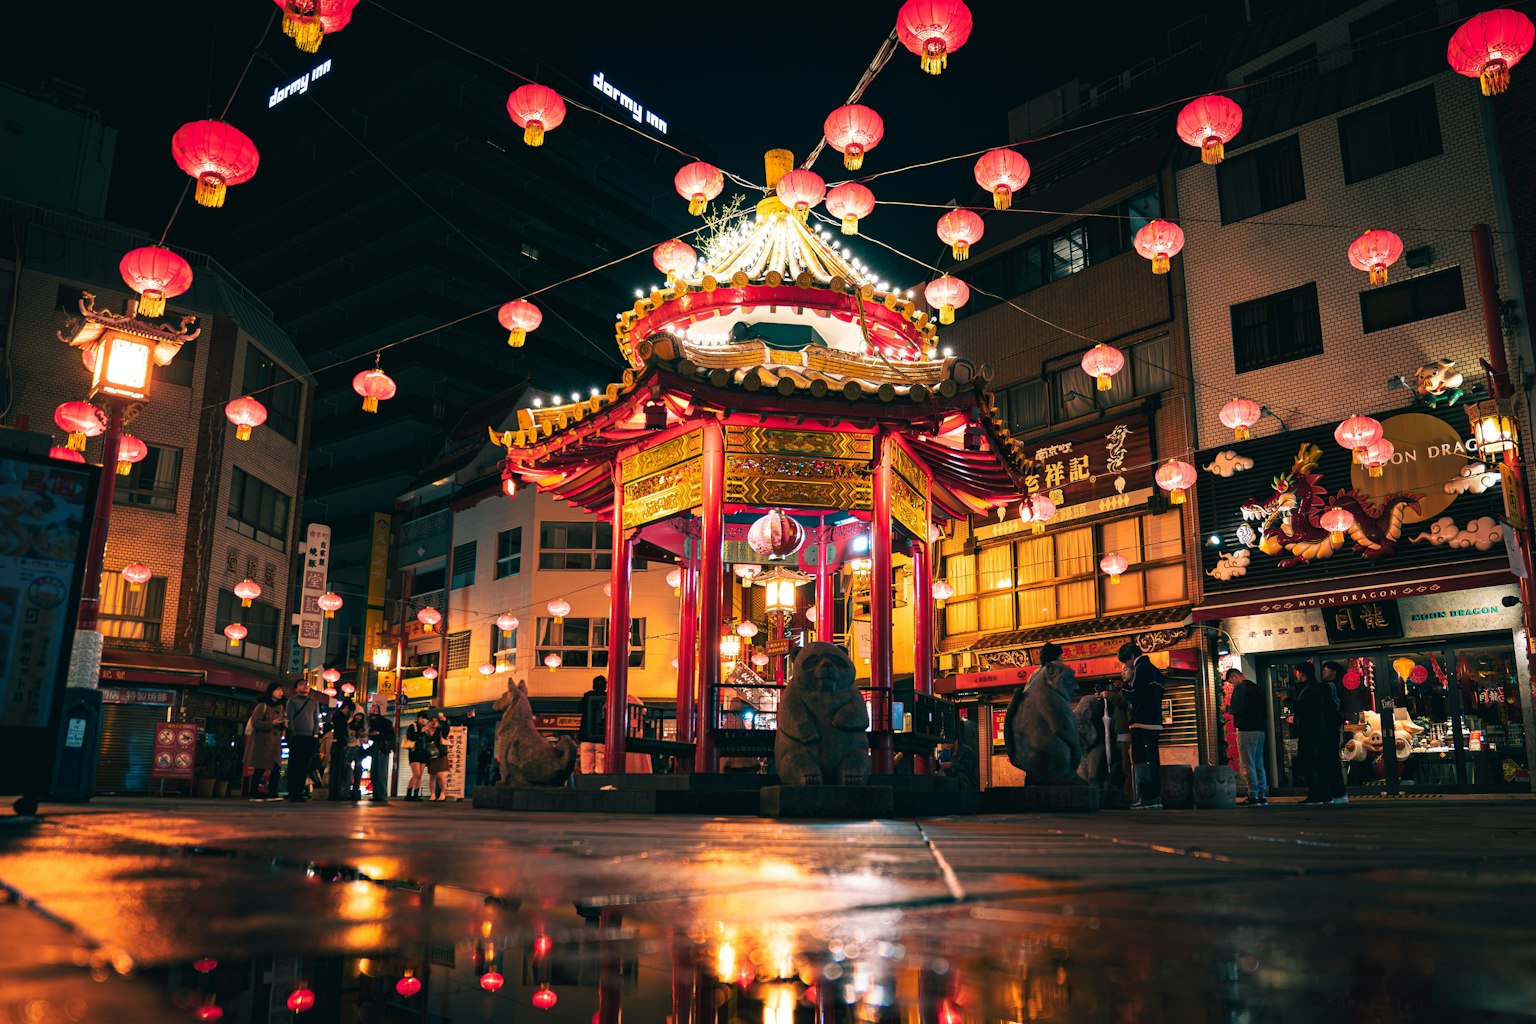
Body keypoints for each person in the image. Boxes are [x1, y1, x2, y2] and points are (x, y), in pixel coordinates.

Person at [1118, 642, 1165, 809]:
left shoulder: (1141, 668)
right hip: (1154, 722)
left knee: (1141, 760)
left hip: (1142, 722)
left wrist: (1123, 688)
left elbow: (1134, 694)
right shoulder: (1155, 670)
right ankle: (1156, 797)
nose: (1125, 666)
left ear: (1131, 656)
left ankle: (1148, 797)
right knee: (1152, 760)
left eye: (1125, 662)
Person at [1292, 662, 1342, 805]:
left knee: (1312, 763)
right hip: (1318, 731)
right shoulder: (1315, 687)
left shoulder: (1317, 688)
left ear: (1302, 673)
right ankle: (1325, 794)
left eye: (1298, 672)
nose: (1296, 675)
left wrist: (1290, 701)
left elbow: (1305, 708)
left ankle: (1318, 794)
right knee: (1319, 763)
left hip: (1311, 732)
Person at [1225, 667, 1268, 806]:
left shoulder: (1241, 688)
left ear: (1235, 677)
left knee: (1248, 764)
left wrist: (1226, 709)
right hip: (1260, 731)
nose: (1233, 685)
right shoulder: (1258, 689)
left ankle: (1253, 794)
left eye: (1231, 682)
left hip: (1247, 731)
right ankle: (1262, 794)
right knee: (1259, 764)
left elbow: (1237, 709)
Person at [243, 683, 286, 798]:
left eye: (281, 690)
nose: (280, 693)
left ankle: (272, 792)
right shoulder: (262, 706)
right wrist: (271, 723)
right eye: (278, 690)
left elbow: (280, 723)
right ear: (271, 691)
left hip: (275, 743)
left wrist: (283, 725)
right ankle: (253, 792)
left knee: (276, 769)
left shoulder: (281, 707)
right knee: (260, 768)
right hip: (263, 742)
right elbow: (255, 723)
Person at [1318, 662, 1351, 804]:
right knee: (1332, 761)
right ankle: (1337, 793)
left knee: (1330, 761)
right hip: (1333, 729)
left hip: (1329, 729)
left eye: (1326, 670)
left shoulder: (1329, 687)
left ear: (1334, 673)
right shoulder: (1337, 687)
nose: (1323, 672)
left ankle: (1336, 793)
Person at [285, 678, 321, 802]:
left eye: (306, 684)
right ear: (296, 688)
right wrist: (293, 734)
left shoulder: (313, 702)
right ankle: (292, 792)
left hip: (309, 737)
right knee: (294, 764)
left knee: (305, 766)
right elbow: (290, 718)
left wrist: (315, 734)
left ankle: (299, 792)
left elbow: (316, 719)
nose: (305, 686)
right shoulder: (292, 701)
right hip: (297, 736)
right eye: (301, 684)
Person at [365, 706, 396, 803]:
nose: (373, 712)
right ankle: (377, 794)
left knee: (381, 772)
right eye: (372, 710)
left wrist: (379, 734)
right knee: (375, 772)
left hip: (382, 747)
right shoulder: (369, 722)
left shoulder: (385, 723)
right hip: (376, 747)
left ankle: (381, 795)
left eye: (375, 710)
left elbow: (391, 736)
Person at [578, 675, 607, 774]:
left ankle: (586, 782)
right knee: (601, 765)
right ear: (605, 686)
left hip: (586, 736)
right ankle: (600, 783)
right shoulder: (608, 697)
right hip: (601, 736)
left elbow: (579, 709)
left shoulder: (587, 696)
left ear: (593, 685)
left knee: (586, 765)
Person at [404, 713, 431, 801]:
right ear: (418, 718)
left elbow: (428, 741)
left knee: (420, 775)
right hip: (414, 752)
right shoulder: (412, 726)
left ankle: (416, 795)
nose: (424, 720)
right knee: (416, 774)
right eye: (422, 718)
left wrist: (428, 733)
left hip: (423, 753)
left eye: (425, 719)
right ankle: (408, 795)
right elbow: (411, 737)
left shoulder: (426, 728)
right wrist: (421, 732)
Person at [427, 717, 451, 800]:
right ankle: (432, 794)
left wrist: (444, 721)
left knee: (440, 775)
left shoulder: (440, 731)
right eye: (432, 721)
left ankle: (442, 793)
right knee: (431, 776)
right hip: (430, 756)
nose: (434, 723)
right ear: (429, 722)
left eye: (436, 721)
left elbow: (446, 729)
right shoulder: (426, 731)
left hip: (440, 755)